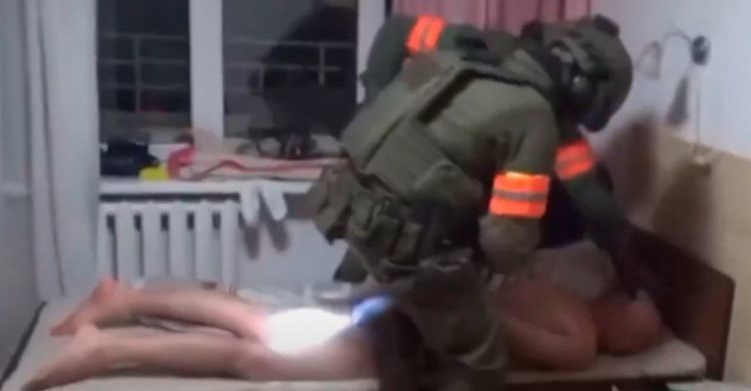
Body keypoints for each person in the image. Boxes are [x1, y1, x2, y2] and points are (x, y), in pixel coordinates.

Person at [308, 13, 637, 390]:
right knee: (481, 364)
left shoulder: (467, 50)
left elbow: (590, 193)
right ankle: (395, 319)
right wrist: (492, 273)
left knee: (408, 264)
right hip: (399, 227)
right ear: (580, 89)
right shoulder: (535, 117)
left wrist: (374, 108)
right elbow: (506, 240)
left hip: (345, 192)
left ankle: (387, 313)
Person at [25, 270, 664, 391]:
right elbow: (556, 351)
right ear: (617, 303)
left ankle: (126, 300)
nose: (638, 344)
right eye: (642, 330)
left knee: (261, 323)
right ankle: (105, 347)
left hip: (399, 312)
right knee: (261, 358)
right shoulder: (578, 327)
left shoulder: (548, 282)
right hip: (411, 336)